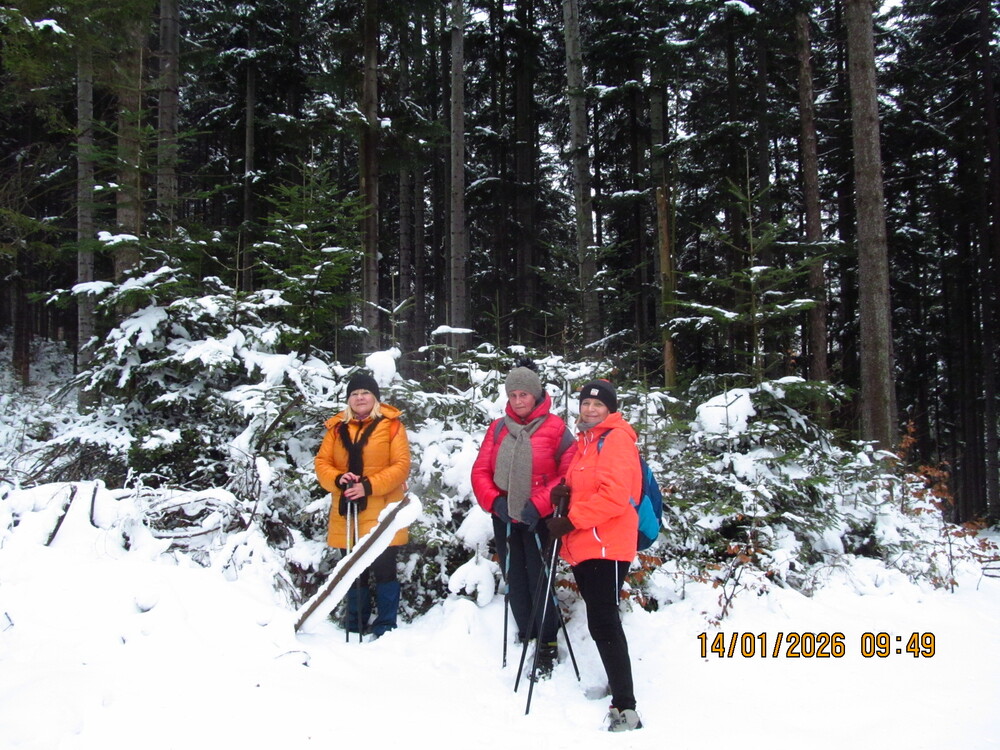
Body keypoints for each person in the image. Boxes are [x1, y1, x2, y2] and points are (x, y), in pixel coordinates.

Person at [545, 379, 643, 731]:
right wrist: (564, 494)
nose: (590, 409)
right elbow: (589, 487)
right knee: (602, 621)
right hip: (589, 544)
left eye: (598, 405)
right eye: (586, 403)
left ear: (610, 409)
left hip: (608, 545)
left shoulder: (615, 439)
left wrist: (571, 519)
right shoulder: (587, 442)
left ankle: (627, 708)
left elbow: (615, 496)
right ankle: (619, 691)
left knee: (604, 622)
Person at [471, 360, 575, 677]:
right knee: (514, 576)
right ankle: (526, 631)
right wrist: (495, 501)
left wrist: (539, 505)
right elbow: (480, 471)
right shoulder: (498, 428)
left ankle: (546, 640)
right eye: (513, 395)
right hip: (504, 514)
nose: (518, 401)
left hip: (539, 517)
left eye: (524, 395)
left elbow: (567, 475)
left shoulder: (557, 429)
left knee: (539, 577)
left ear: (536, 395)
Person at [315, 371, 411, 638]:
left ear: (375, 398)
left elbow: (401, 466)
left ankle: (385, 626)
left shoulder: (392, 426)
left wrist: (367, 486)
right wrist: (339, 478)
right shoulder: (337, 429)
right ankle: (355, 623)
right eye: (354, 394)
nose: (360, 398)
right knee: (351, 570)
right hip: (347, 511)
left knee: (384, 569)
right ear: (348, 400)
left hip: (382, 510)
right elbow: (322, 464)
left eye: (365, 393)